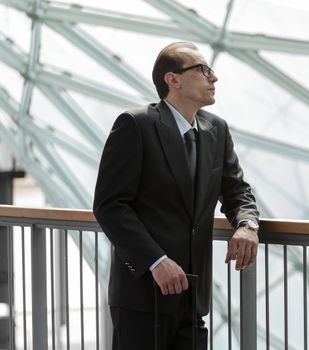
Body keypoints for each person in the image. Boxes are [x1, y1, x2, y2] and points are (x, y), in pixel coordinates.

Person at [93, 42, 259, 350]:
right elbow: (109, 205)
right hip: (143, 296)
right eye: (203, 70)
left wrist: (248, 225)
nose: (214, 78)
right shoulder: (136, 125)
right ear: (173, 80)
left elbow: (237, 190)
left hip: (193, 297)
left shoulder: (216, 130)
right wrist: (155, 261)